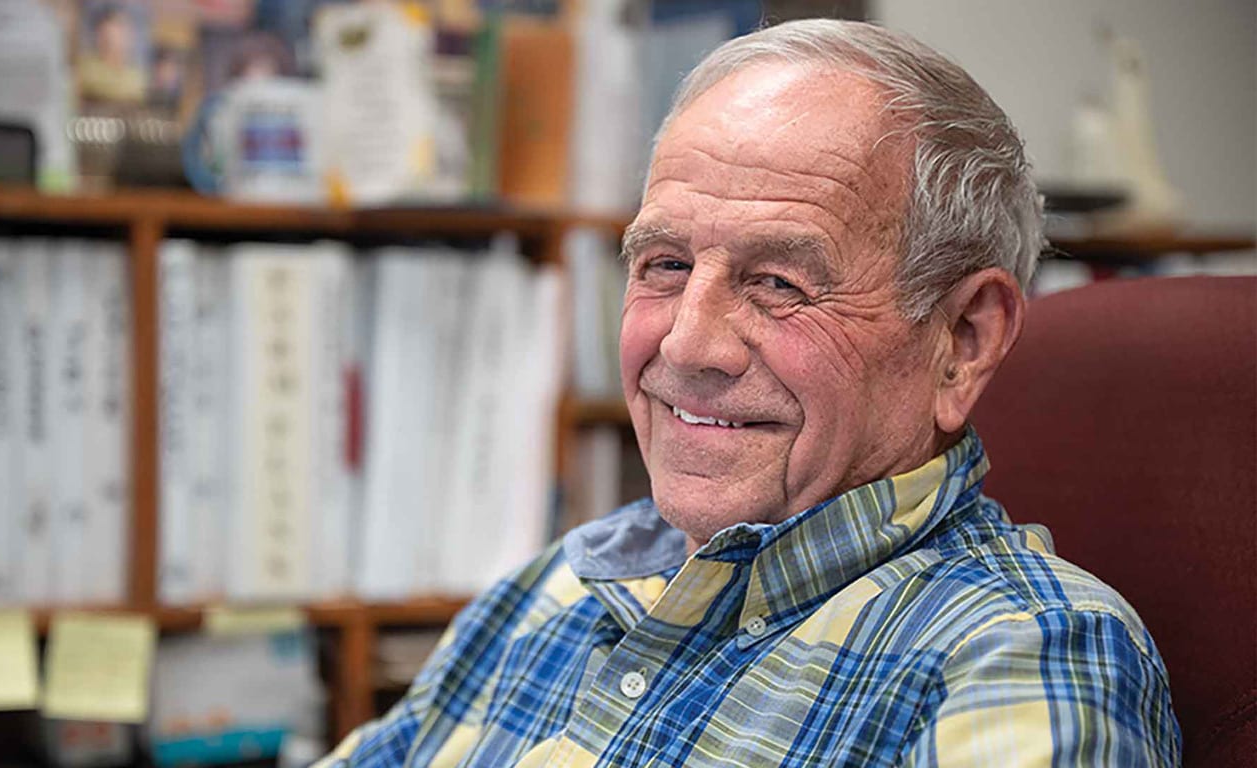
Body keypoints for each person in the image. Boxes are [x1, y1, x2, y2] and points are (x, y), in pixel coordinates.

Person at [315, 19, 1181, 767]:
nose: (686, 345)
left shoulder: (1021, 655)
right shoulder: (555, 588)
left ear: (964, 339)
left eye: (778, 283)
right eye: (666, 266)